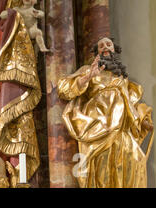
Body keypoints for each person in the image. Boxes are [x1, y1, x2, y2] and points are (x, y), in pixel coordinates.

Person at [58, 37, 154, 188]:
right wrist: (88, 76)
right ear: (97, 52)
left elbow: (131, 104)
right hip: (99, 128)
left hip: (121, 130)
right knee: (102, 173)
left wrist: (143, 121)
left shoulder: (122, 78)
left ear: (114, 49)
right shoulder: (88, 70)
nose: (105, 47)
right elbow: (64, 90)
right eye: (101, 45)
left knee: (137, 159)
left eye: (108, 44)